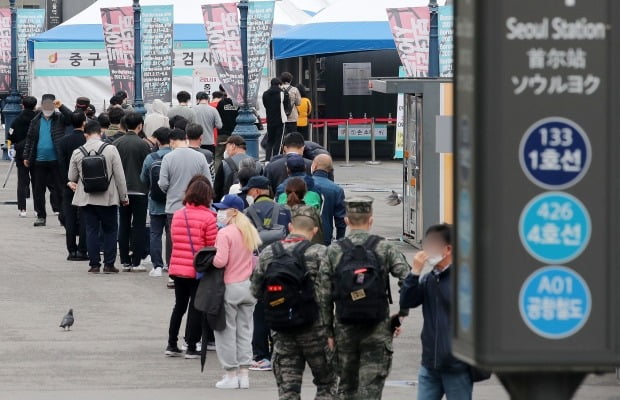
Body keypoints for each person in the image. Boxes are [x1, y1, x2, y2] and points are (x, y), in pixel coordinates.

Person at [319, 196, 410, 399]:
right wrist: (400, 315)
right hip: (377, 328)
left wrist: (329, 332)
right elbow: (408, 279)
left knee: (345, 388)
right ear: (371, 220)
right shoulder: (384, 247)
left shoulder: (334, 250)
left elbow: (323, 293)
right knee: (371, 389)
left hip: (344, 329)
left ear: (346, 221)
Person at [251, 204, 337, 398]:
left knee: (288, 391)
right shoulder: (322, 254)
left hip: (282, 332)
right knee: (327, 384)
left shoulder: (269, 253)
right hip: (317, 331)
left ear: (290, 226)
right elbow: (334, 293)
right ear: (315, 230)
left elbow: (255, 291)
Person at [400, 224, 473, 400]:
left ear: (448, 249)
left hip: (456, 366)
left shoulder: (465, 280)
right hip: (429, 365)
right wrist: (415, 272)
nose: (427, 250)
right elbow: (407, 301)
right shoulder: (429, 278)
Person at [242, 175, 292, 372]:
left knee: (260, 312)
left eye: (249, 190)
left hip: (258, 269)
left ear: (256, 191)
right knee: (280, 308)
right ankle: (280, 352)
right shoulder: (285, 210)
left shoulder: (246, 213)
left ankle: (261, 356)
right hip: (282, 267)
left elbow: (244, 243)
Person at [212, 194, 261, 389]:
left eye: (223, 209)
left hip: (230, 287)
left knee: (225, 332)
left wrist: (210, 257)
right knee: (245, 331)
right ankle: (244, 373)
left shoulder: (225, 233)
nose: (219, 212)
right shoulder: (249, 230)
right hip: (248, 287)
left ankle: (230, 374)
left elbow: (220, 261)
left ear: (233, 211)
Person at [166, 175, 218, 359]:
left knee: (179, 306)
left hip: (178, 268)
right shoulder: (209, 218)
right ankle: (190, 345)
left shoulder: (178, 215)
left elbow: (174, 239)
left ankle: (171, 344)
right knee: (197, 307)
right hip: (198, 270)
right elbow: (212, 245)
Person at [67, 121, 129, 274]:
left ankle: (94, 264)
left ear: (85, 135)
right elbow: (120, 176)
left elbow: (71, 176)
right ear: (101, 133)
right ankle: (109, 264)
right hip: (108, 197)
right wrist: (124, 196)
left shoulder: (78, 152)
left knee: (91, 230)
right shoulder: (111, 149)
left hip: (87, 197)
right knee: (110, 230)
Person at [158, 128, 212, 279]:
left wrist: (171, 190)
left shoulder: (168, 158)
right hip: (197, 207)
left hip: (174, 206)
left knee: (173, 240)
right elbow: (207, 181)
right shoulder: (200, 157)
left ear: (172, 141)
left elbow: (162, 183)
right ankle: (196, 270)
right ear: (186, 139)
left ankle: (172, 273)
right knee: (195, 239)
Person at [22, 94, 73, 227]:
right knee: (38, 190)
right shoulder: (35, 120)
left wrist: (61, 107)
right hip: (39, 160)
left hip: (57, 160)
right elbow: (29, 139)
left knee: (60, 189)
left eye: (51, 104)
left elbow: (72, 118)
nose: (48, 107)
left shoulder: (60, 118)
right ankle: (41, 216)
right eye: (46, 104)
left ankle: (64, 216)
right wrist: (26, 156)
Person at [113, 112, 151, 272]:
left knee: (123, 225)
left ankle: (124, 261)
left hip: (122, 190)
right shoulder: (144, 145)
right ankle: (136, 260)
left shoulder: (116, 143)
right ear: (140, 126)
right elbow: (147, 168)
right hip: (141, 190)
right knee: (139, 225)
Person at [140, 127, 173, 277]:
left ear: (157, 141)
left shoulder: (151, 158)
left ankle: (157, 265)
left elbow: (143, 179)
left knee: (155, 234)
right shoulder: (174, 156)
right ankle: (170, 264)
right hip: (172, 202)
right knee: (171, 234)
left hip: (155, 201)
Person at [58, 112, 89, 261]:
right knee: (84, 216)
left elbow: (60, 164)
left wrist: (67, 181)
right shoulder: (87, 140)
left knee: (69, 217)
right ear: (84, 123)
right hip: (85, 183)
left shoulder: (64, 141)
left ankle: (71, 250)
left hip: (69, 183)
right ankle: (83, 249)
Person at [8, 95, 37, 217]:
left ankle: (22, 209)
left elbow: (10, 136)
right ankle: (37, 209)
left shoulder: (16, 120)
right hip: (35, 151)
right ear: (34, 106)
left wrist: (10, 147)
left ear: (22, 105)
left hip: (20, 151)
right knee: (37, 181)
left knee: (22, 181)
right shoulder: (38, 119)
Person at [213, 135, 261, 201]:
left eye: (226, 146)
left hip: (230, 205)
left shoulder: (225, 164)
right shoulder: (257, 164)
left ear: (233, 146)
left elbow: (217, 190)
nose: (226, 150)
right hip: (253, 204)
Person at [312, 154, 346, 245]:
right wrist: (340, 241)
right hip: (324, 236)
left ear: (314, 165)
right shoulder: (337, 190)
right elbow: (341, 221)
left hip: (303, 233)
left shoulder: (302, 183)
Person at [279, 177, 323, 245]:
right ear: (305, 193)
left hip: (280, 251)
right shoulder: (311, 212)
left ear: (286, 192)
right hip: (308, 251)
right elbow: (318, 237)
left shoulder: (278, 210)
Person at [262, 78, 286, 161]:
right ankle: (276, 159)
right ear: (279, 84)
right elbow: (287, 106)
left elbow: (265, 105)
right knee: (278, 142)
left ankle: (267, 160)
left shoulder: (265, 94)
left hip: (270, 120)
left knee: (270, 141)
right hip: (280, 120)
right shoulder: (282, 93)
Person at [215, 86, 239, 168]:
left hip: (222, 133)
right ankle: (231, 174)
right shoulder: (237, 104)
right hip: (235, 133)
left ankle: (218, 175)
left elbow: (217, 117)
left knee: (218, 155)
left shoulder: (221, 103)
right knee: (234, 155)